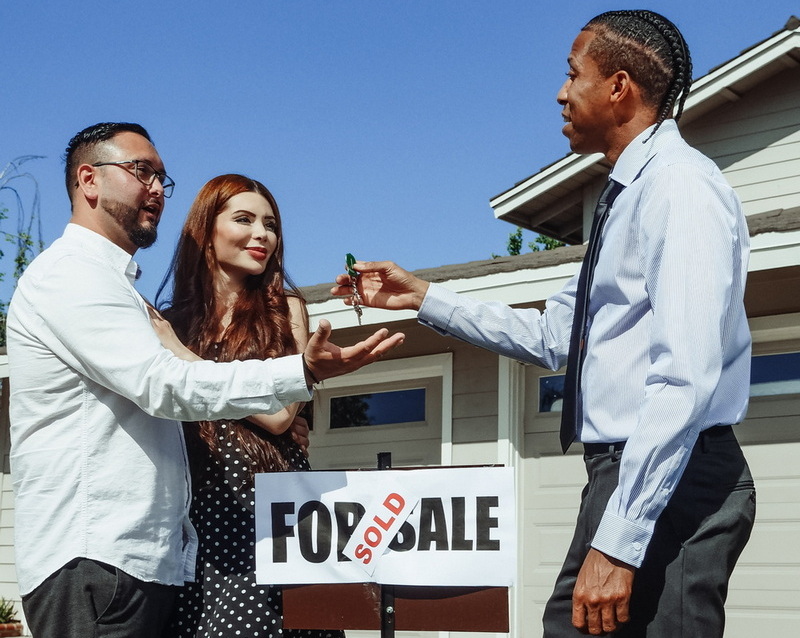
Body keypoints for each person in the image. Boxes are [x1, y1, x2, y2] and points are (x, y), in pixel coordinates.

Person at [331, 10, 754, 638]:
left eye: (571, 73)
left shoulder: (679, 189)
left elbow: (684, 379)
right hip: (627, 477)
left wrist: (619, 543)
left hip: (675, 480)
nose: (560, 92)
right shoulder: (628, 197)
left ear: (618, 87)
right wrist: (422, 297)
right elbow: (556, 338)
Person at [6, 122, 403, 638]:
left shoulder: (137, 296)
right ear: (89, 180)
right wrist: (294, 373)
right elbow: (162, 385)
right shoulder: (77, 277)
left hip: (197, 541)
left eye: (162, 179)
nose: (155, 188)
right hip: (110, 554)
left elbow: (265, 416)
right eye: (141, 171)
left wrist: (284, 403)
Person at [150, 173, 343, 638]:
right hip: (196, 514)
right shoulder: (173, 319)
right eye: (244, 219)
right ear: (205, 231)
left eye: (270, 224)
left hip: (269, 510)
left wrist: (181, 356)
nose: (262, 234)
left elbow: (279, 416)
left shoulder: (285, 309)